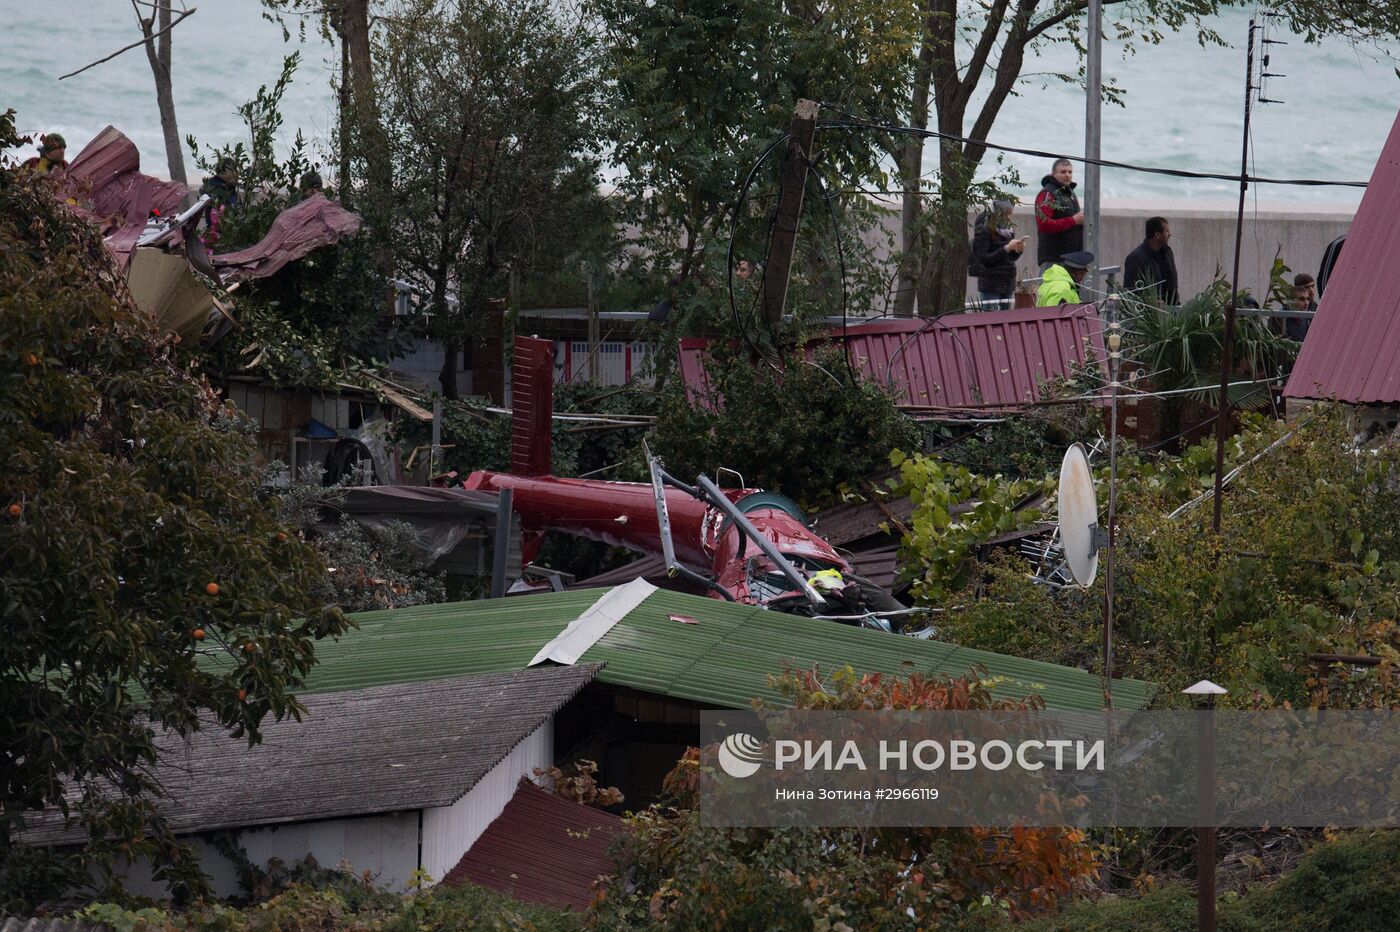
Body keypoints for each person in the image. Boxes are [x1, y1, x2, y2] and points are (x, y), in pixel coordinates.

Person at [970, 199, 1026, 307]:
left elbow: (1009, 257)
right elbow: (984, 259)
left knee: (1006, 319)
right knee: (990, 318)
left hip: (1008, 281)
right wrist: (1007, 248)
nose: (1009, 218)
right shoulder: (984, 230)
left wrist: (1017, 250)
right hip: (991, 283)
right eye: (1007, 214)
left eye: (1010, 214)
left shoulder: (1009, 230)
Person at [1034, 158, 1084, 271]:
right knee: (1052, 289)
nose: (1067, 175)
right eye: (1063, 172)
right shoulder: (1048, 193)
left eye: (1070, 172)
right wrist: (1073, 220)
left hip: (1070, 259)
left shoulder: (1070, 193)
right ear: (1053, 174)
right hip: (1054, 260)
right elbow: (1044, 224)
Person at [1122, 216, 1179, 304]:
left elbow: (1173, 284)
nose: (1170, 234)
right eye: (1166, 231)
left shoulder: (1168, 253)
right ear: (1157, 235)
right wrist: (1150, 302)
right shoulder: (1135, 258)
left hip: (1171, 312)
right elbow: (1130, 293)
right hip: (1148, 315)